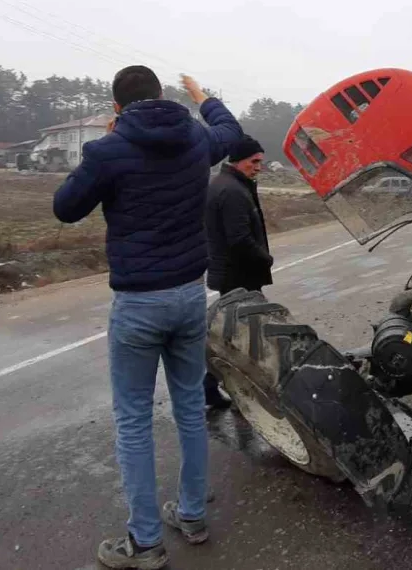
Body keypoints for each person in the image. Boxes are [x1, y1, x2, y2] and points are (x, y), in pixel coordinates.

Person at [53, 65, 244, 570]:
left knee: (134, 420)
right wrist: (203, 95)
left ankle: (145, 543)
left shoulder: (109, 150)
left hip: (139, 304)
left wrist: (105, 149)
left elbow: (65, 208)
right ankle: (193, 516)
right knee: (188, 410)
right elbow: (231, 131)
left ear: (117, 107)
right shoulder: (196, 140)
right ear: (162, 96)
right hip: (188, 297)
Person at [205, 137, 273, 295]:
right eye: (254, 161)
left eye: (260, 162)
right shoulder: (232, 191)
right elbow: (239, 239)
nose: (258, 168)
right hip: (238, 278)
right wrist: (266, 259)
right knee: (245, 317)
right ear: (238, 160)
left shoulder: (226, 184)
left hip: (234, 275)